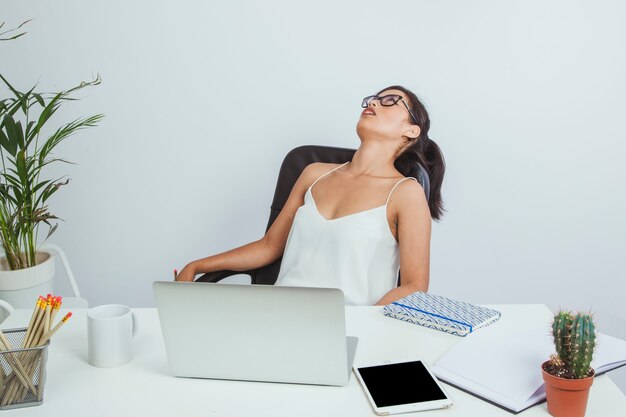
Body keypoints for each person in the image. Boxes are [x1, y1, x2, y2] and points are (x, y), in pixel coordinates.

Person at [175, 85, 445, 306]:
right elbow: (269, 246)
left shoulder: (406, 193)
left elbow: (414, 287)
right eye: (372, 98)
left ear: (411, 131)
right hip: (277, 316)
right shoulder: (314, 173)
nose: (372, 102)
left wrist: (366, 326)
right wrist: (197, 266)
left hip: (349, 330)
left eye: (389, 100)